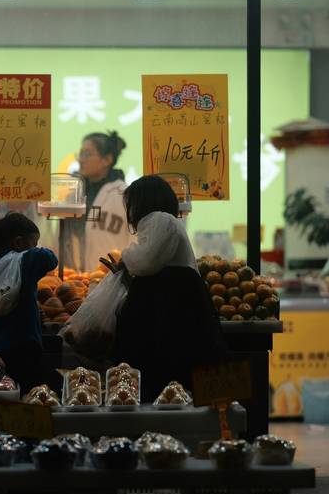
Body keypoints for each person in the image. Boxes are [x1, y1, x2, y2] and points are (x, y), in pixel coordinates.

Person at [107, 175, 226, 401]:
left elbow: (146, 261)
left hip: (169, 313)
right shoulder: (167, 222)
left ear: (142, 202)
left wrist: (126, 256)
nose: (129, 211)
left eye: (131, 203)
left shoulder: (160, 219)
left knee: (161, 375)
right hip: (178, 308)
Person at [0, 213, 59, 392]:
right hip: (25, 354)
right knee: (27, 403)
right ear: (19, 243)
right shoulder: (22, 263)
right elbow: (48, 258)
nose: (35, 248)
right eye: (33, 243)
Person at [62, 131, 134, 271]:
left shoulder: (124, 194)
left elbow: (135, 242)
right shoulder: (75, 195)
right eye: (80, 154)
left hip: (113, 279)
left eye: (87, 154)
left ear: (107, 159)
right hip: (78, 280)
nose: (81, 160)